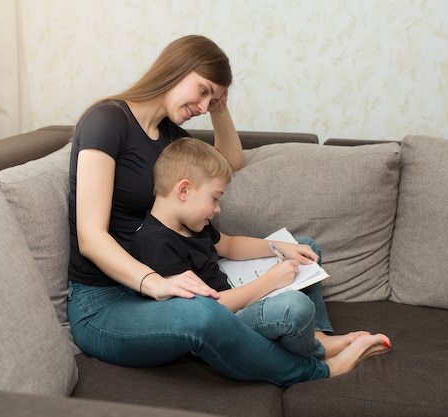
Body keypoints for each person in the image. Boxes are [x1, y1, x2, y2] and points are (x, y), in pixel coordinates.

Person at [67, 34, 390, 387]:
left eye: (213, 98)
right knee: (203, 316)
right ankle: (319, 368)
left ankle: (317, 338)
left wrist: (220, 104)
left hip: (171, 282)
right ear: (176, 68)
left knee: (302, 248)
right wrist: (155, 283)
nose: (204, 107)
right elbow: (90, 237)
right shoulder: (107, 121)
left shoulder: (171, 137)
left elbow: (229, 162)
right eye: (203, 91)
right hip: (105, 302)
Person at [130, 138, 392, 361]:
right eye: (215, 198)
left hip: (234, 289)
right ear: (184, 190)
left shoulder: (193, 224)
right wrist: (269, 282)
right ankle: (315, 349)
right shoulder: (156, 243)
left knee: (305, 248)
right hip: (221, 318)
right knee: (293, 307)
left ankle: (319, 335)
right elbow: (198, 314)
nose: (218, 209)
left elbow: (230, 245)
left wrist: (282, 247)